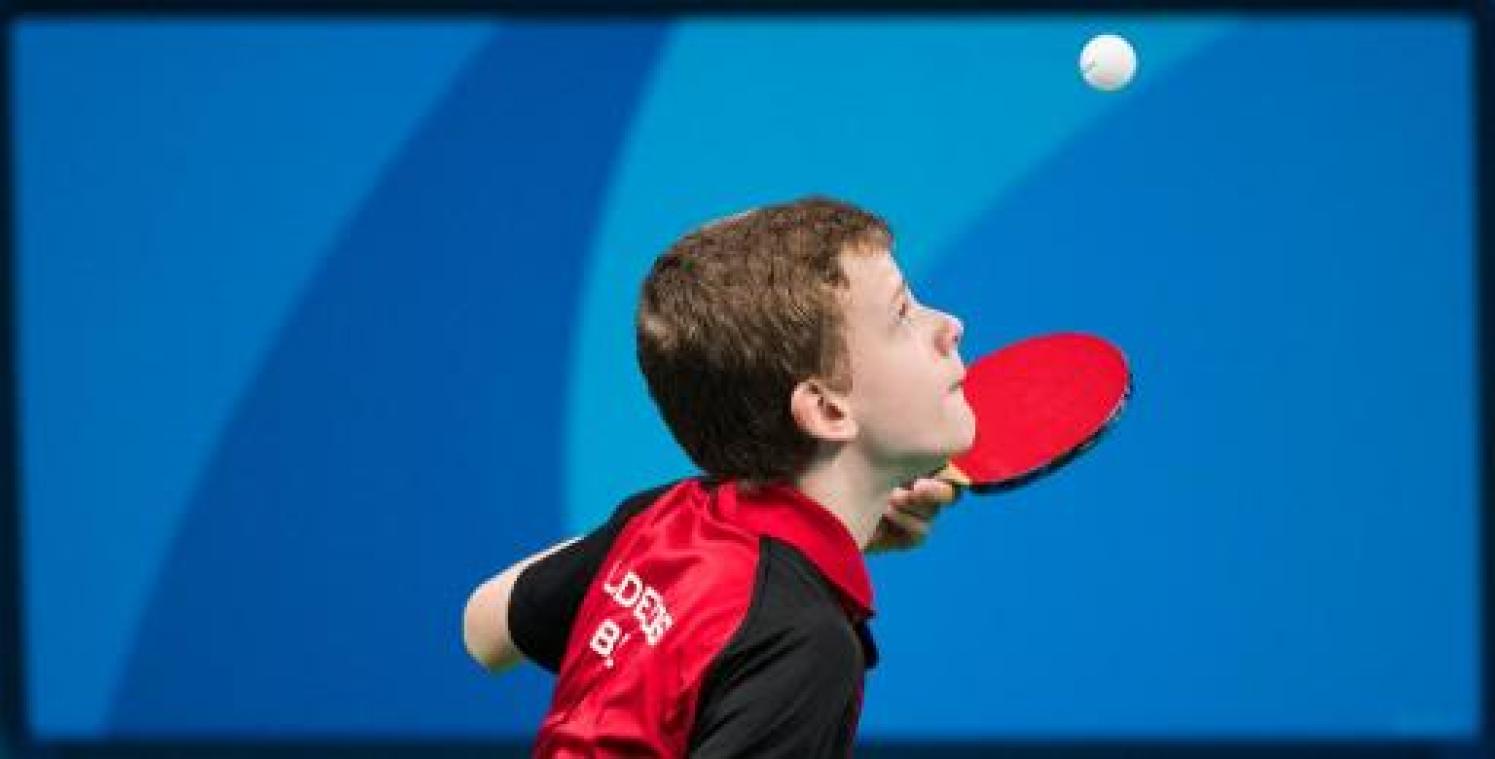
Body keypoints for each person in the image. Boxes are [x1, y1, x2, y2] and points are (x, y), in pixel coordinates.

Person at [463, 196, 973, 756]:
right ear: (826, 411)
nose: (950, 326)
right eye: (902, 314)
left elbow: (484, 625)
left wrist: (842, 526)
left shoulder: (665, 521)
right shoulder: (805, 646)